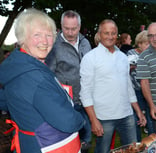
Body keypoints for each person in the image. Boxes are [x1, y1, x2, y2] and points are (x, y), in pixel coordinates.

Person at [0, 8, 84, 153]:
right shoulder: (34, 76)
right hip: (47, 146)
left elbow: (5, 101)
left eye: (49, 35)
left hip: (29, 143)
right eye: (37, 35)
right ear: (22, 38)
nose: (45, 41)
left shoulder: (17, 66)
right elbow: (68, 122)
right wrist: (80, 118)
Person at [79, 19, 146, 153]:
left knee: (133, 150)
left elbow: (128, 86)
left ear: (117, 35)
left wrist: (138, 111)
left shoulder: (122, 57)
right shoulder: (90, 58)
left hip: (127, 115)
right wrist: (93, 120)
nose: (110, 36)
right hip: (104, 118)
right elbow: (85, 92)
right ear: (99, 34)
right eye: (106, 33)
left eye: (113, 33)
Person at [45, 10, 92, 151]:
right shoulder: (53, 45)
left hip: (87, 99)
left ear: (80, 26)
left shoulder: (85, 42)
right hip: (67, 102)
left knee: (87, 140)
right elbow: (49, 75)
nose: (70, 32)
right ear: (61, 25)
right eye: (66, 28)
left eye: (74, 28)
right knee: (71, 142)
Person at [127, 30, 154, 141]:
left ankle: (153, 142)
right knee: (136, 119)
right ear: (139, 43)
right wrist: (130, 67)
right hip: (135, 91)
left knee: (151, 116)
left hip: (148, 90)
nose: (149, 46)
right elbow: (123, 71)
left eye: (150, 43)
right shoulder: (130, 54)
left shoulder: (151, 54)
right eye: (146, 43)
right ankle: (137, 144)